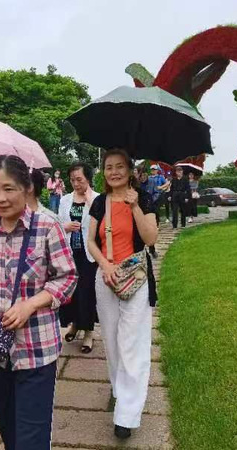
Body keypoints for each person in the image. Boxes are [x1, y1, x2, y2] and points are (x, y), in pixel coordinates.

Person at [0, 155, 77, 450]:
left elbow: (67, 278)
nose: (0, 198)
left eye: (8, 189)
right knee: (7, 426)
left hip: (36, 348)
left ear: (26, 188)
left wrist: (30, 305)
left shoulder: (47, 227)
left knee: (31, 436)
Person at [87, 148, 158, 439]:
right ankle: (120, 389)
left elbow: (151, 238)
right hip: (106, 277)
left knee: (133, 343)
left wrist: (135, 206)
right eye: (108, 167)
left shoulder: (144, 198)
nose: (114, 172)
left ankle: (127, 414)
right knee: (112, 341)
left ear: (130, 171)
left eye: (119, 166)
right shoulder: (99, 202)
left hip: (136, 279)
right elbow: (90, 241)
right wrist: (105, 265)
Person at [58, 162, 99, 353]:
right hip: (69, 254)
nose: (76, 184)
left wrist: (90, 201)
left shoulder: (97, 199)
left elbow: (102, 223)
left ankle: (89, 332)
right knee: (72, 292)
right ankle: (75, 324)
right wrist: (65, 227)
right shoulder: (65, 200)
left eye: (79, 180)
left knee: (87, 292)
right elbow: (58, 224)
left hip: (89, 255)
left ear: (88, 179)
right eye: (72, 180)